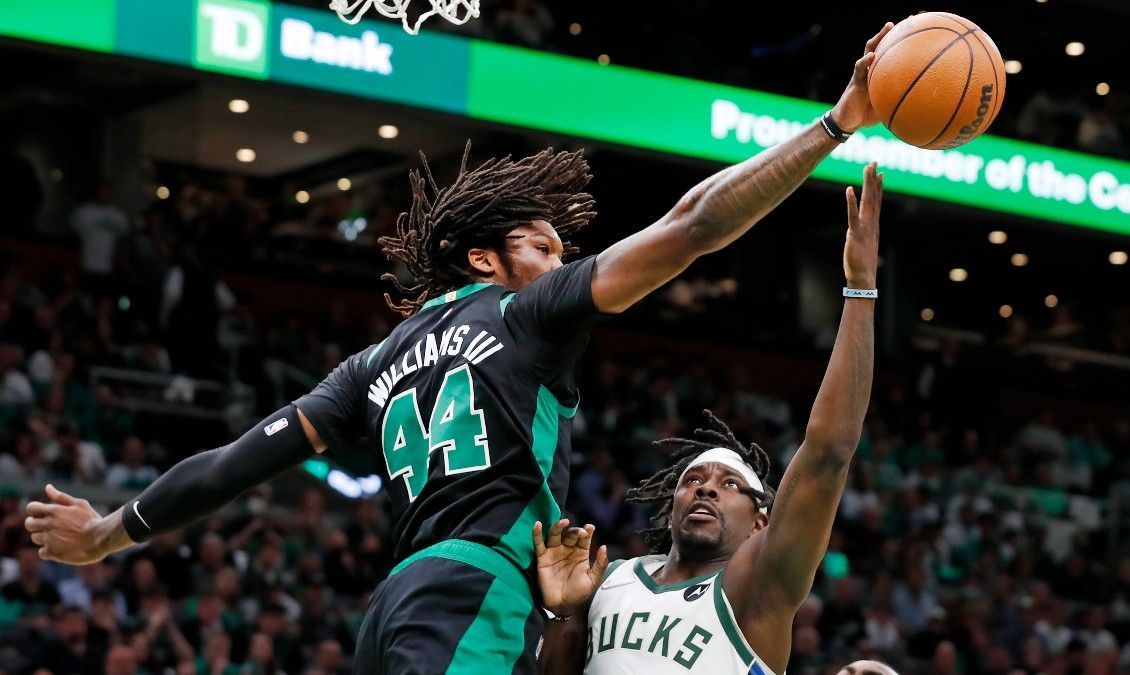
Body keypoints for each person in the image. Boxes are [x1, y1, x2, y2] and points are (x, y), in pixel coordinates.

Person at [26, 22, 893, 675]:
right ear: (486, 258)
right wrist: (833, 126)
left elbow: (233, 462)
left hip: (396, 601)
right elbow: (695, 224)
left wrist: (109, 529)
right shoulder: (527, 314)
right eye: (546, 248)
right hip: (473, 586)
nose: (561, 264)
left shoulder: (368, 365)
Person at [534, 163, 882, 675]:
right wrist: (563, 616)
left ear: (761, 522)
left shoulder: (757, 589)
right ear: (669, 507)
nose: (705, 488)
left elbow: (828, 453)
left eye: (729, 484)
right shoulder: (610, 579)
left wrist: (860, 289)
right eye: (692, 480)